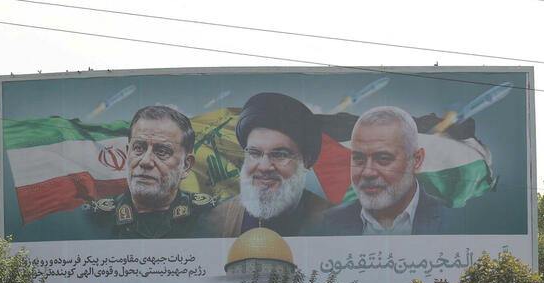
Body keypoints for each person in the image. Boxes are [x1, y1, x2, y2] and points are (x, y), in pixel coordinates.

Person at [209, 92, 329, 238]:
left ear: (306, 162)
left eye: (280, 154)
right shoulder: (218, 220)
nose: (264, 167)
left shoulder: (334, 221)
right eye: (254, 153)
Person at [85, 106, 215, 238]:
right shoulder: (90, 218)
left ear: (186, 166)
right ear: (127, 153)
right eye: (138, 148)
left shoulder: (215, 216)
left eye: (162, 151)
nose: (145, 161)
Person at [323, 106, 454, 235]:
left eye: (383, 159)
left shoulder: (454, 222)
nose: (368, 172)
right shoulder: (328, 224)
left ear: (416, 161)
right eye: (359, 159)